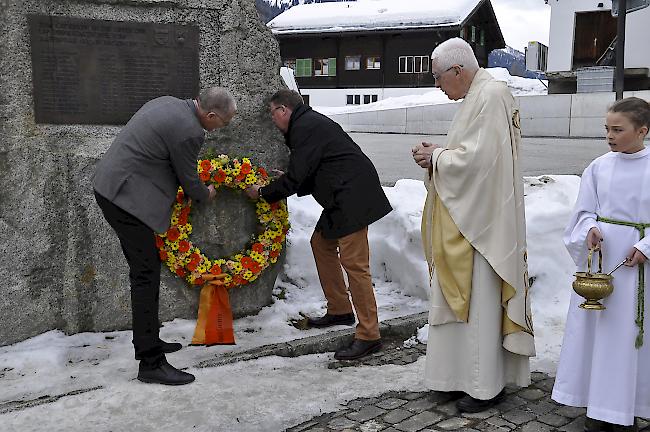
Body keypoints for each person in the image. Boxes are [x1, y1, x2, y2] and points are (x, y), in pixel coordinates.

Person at [411, 38, 535, 413]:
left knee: (479, 303)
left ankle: (484, 385)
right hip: (468, 218)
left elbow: (481, 164)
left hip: (483, 226)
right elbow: (472, 155)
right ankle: (453, 378)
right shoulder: (478, 96)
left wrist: (438, 158)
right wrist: (440, 156)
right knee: (457, 303)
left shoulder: (492, 95)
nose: (437, 85)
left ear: (457, 71)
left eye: (438, 78)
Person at [93, 87, 237, 385]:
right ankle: (150, 362)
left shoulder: (169, 103)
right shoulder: (190, 131)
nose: (220, 128)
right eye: (222, 123)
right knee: (145, 274)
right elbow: (190, 181)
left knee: (147, 269)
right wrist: (206, 193)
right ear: (210, 115)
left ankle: (150, 341)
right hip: (123, 199)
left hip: (112, 186)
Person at [245, 89, 392, 361]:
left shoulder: (304, 127)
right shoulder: (307, 124)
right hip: (342, 196)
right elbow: (309, 170)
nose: (272, 120)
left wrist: (264, 193)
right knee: (321, 243)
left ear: (282, 110)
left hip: (353, 197)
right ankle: (340, 309)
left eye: (272, 113)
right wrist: (290, 177)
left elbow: (298, 176)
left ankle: (369, 335)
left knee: (355, 266)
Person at [552, 97, 650, 432]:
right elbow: (583, 212)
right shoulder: (598, 167)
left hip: (639, 269)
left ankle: (630, 407)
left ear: (642, 130)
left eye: (618, 129)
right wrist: (589, 229)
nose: (609, 135)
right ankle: (599, 405)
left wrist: (646, 246)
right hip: (605, 264)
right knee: (601, 335)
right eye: (606, 128)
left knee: (631, 338)